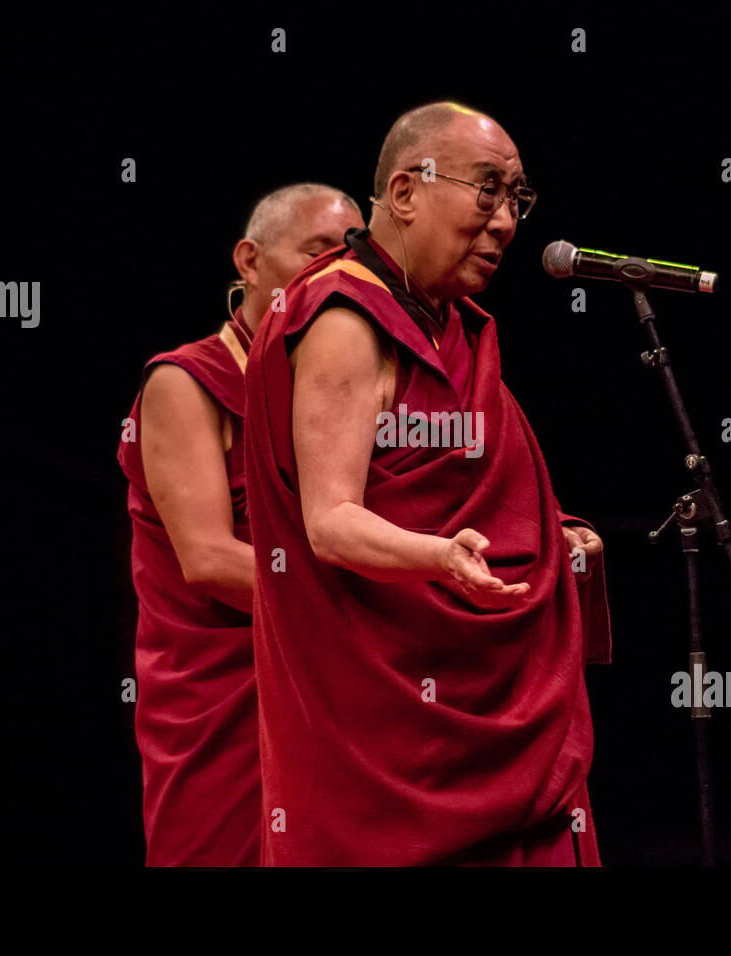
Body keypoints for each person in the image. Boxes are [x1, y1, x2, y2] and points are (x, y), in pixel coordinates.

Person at [243, 103, 612, 866]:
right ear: (406, 191)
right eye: (487, 191)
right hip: (391, 728)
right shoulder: (344, 317)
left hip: (490, 694)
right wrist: (440, 557)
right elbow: (331, 520)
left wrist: (550, 530)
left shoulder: (454, 324)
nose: (507, 221)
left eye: (517, 199)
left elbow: (483, 482)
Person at [117, 183, 364, 865]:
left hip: (332, 686)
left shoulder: (346, 377)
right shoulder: (185, 382)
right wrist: (376, 613)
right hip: (222, 694)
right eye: (316, 254)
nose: (336, 276)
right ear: (249, 261)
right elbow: (206, 558)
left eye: (351, 258)